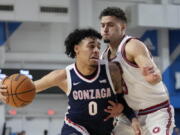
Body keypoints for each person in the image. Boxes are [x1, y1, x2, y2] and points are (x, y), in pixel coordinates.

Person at [0, 28, 141, 135]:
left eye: (98, 46)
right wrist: (5, 93)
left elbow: (124, 99)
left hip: (104, 130)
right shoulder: (63, 75)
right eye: (91, 46)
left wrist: (127, 114)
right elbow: (30, 88)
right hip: (75, 127)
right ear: (76, 49)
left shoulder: (112, 70)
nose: (97, 50)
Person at [99, 7, 175, 135]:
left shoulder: (132, 46)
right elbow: (117, 92)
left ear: (123, 27)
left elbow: (154, 74)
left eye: (111, 25)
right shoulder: (104, 58)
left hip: (156, 112)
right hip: (130, 115)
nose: (105, 29)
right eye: (103, 25)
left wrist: (153, 75)